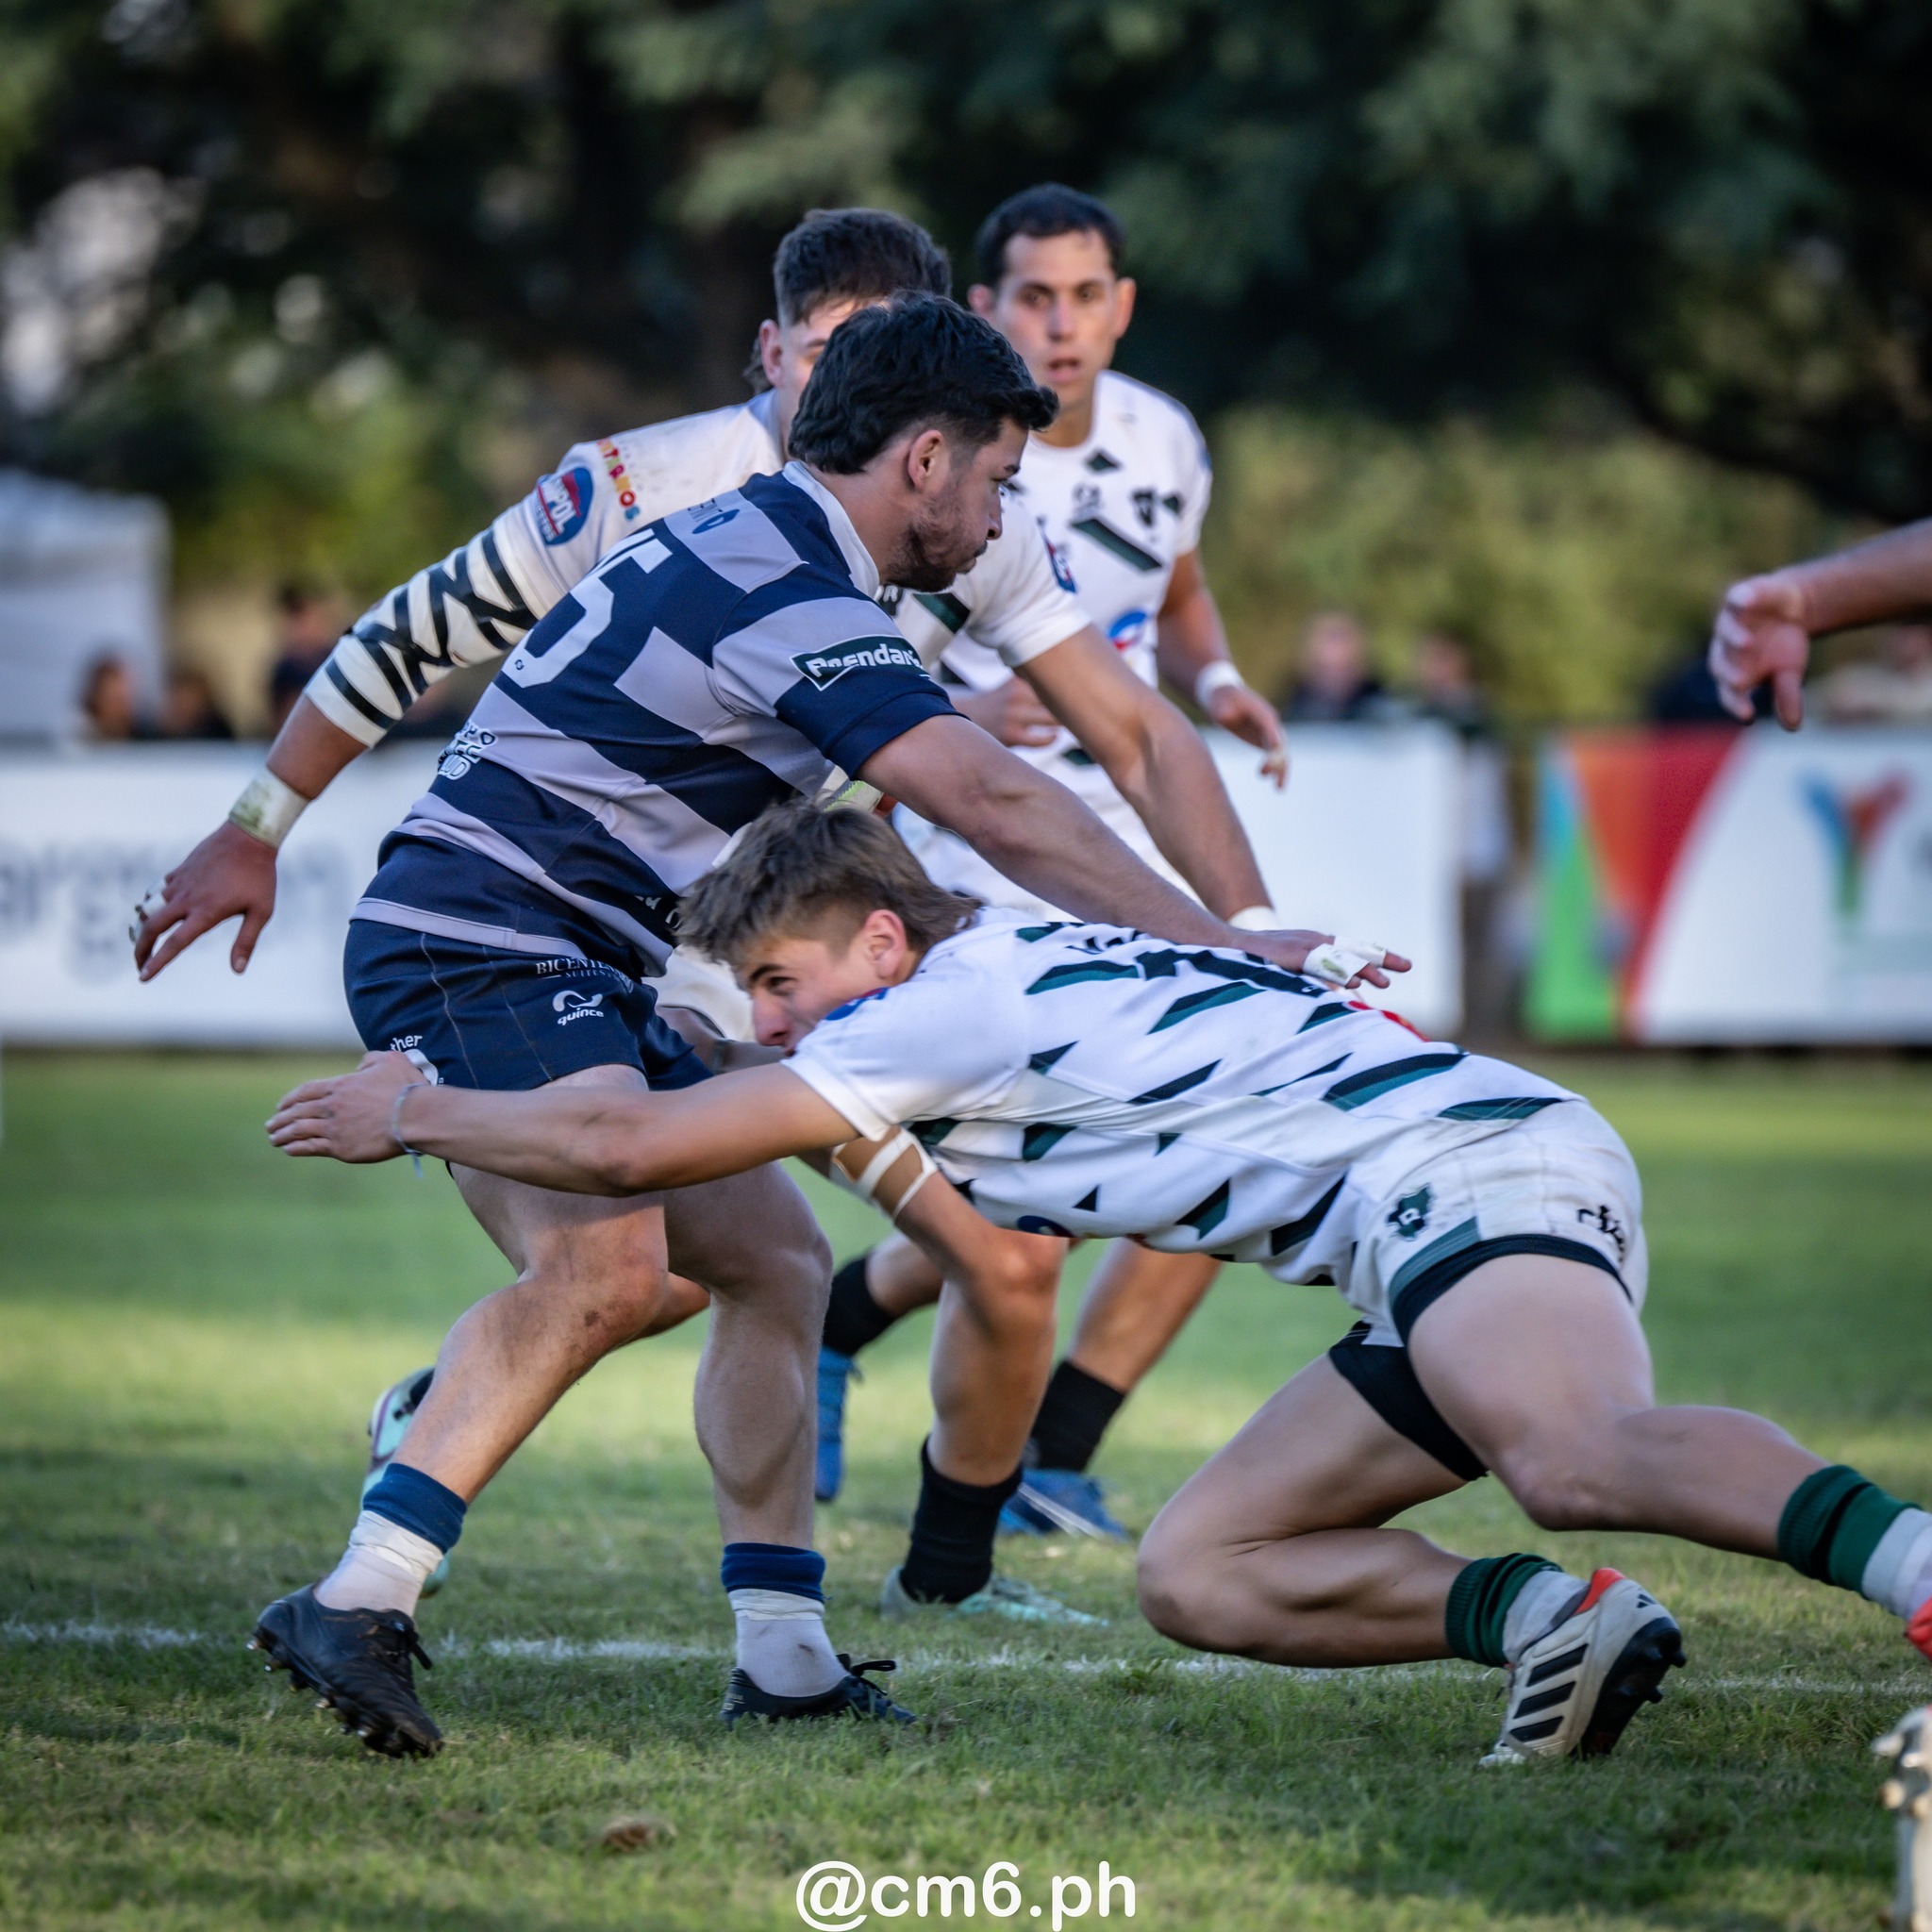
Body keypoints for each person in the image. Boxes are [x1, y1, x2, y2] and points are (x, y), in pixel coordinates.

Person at [135, 207, 1303, 1629]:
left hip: (650, 940)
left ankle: (793, 1647)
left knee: (780, 1261)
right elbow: (415, 635)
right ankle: (366, 1589)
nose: (1008, 512)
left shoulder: (937, 525)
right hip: (506, 928)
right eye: (826, 352)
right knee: (611, 1265)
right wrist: (256, 825)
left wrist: (1231, 918)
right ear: (795, 366)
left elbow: (1131, 734)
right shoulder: (696, 510)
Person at [267, 797, 1932, 1767]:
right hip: (1415, 1224)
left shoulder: (936, 1007)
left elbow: (643, 1148)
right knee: (1202, 1569)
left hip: (1469, 1167)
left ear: (876, 943)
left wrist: (409, 1106)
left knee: (1571, 1455)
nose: (774, 1019)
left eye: (781, 979)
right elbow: (697, 1103)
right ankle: (1549, 1627)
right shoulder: (975, 972)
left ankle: (1914, 1560)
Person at [810, 185, 1290, 1541]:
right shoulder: (943, 454)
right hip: (978, 854)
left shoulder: (1164, 438)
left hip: (1129, 850)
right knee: (1029, 1208)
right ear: (985, 307)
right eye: (1033, 296)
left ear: (1124, 307)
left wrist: (1226, 678)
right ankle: (846, 1338)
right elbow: (830, 662)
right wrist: (955, 719)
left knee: (1219, 1133)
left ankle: (1051, 1455)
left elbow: (1177, 595)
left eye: (1087, 297)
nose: (1061, 324)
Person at [1708, 517, 1932, 728]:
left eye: (1915, 635)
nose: (1907, 644)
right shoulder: (1859, 680)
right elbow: (1815, 702)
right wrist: (1807, 597)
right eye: (1902, 634)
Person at [1278, 611, 1391, 723]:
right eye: (1326, 669)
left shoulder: (1385, 711)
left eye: (1346, 667)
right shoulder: (1286, 709)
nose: (1337, 650)